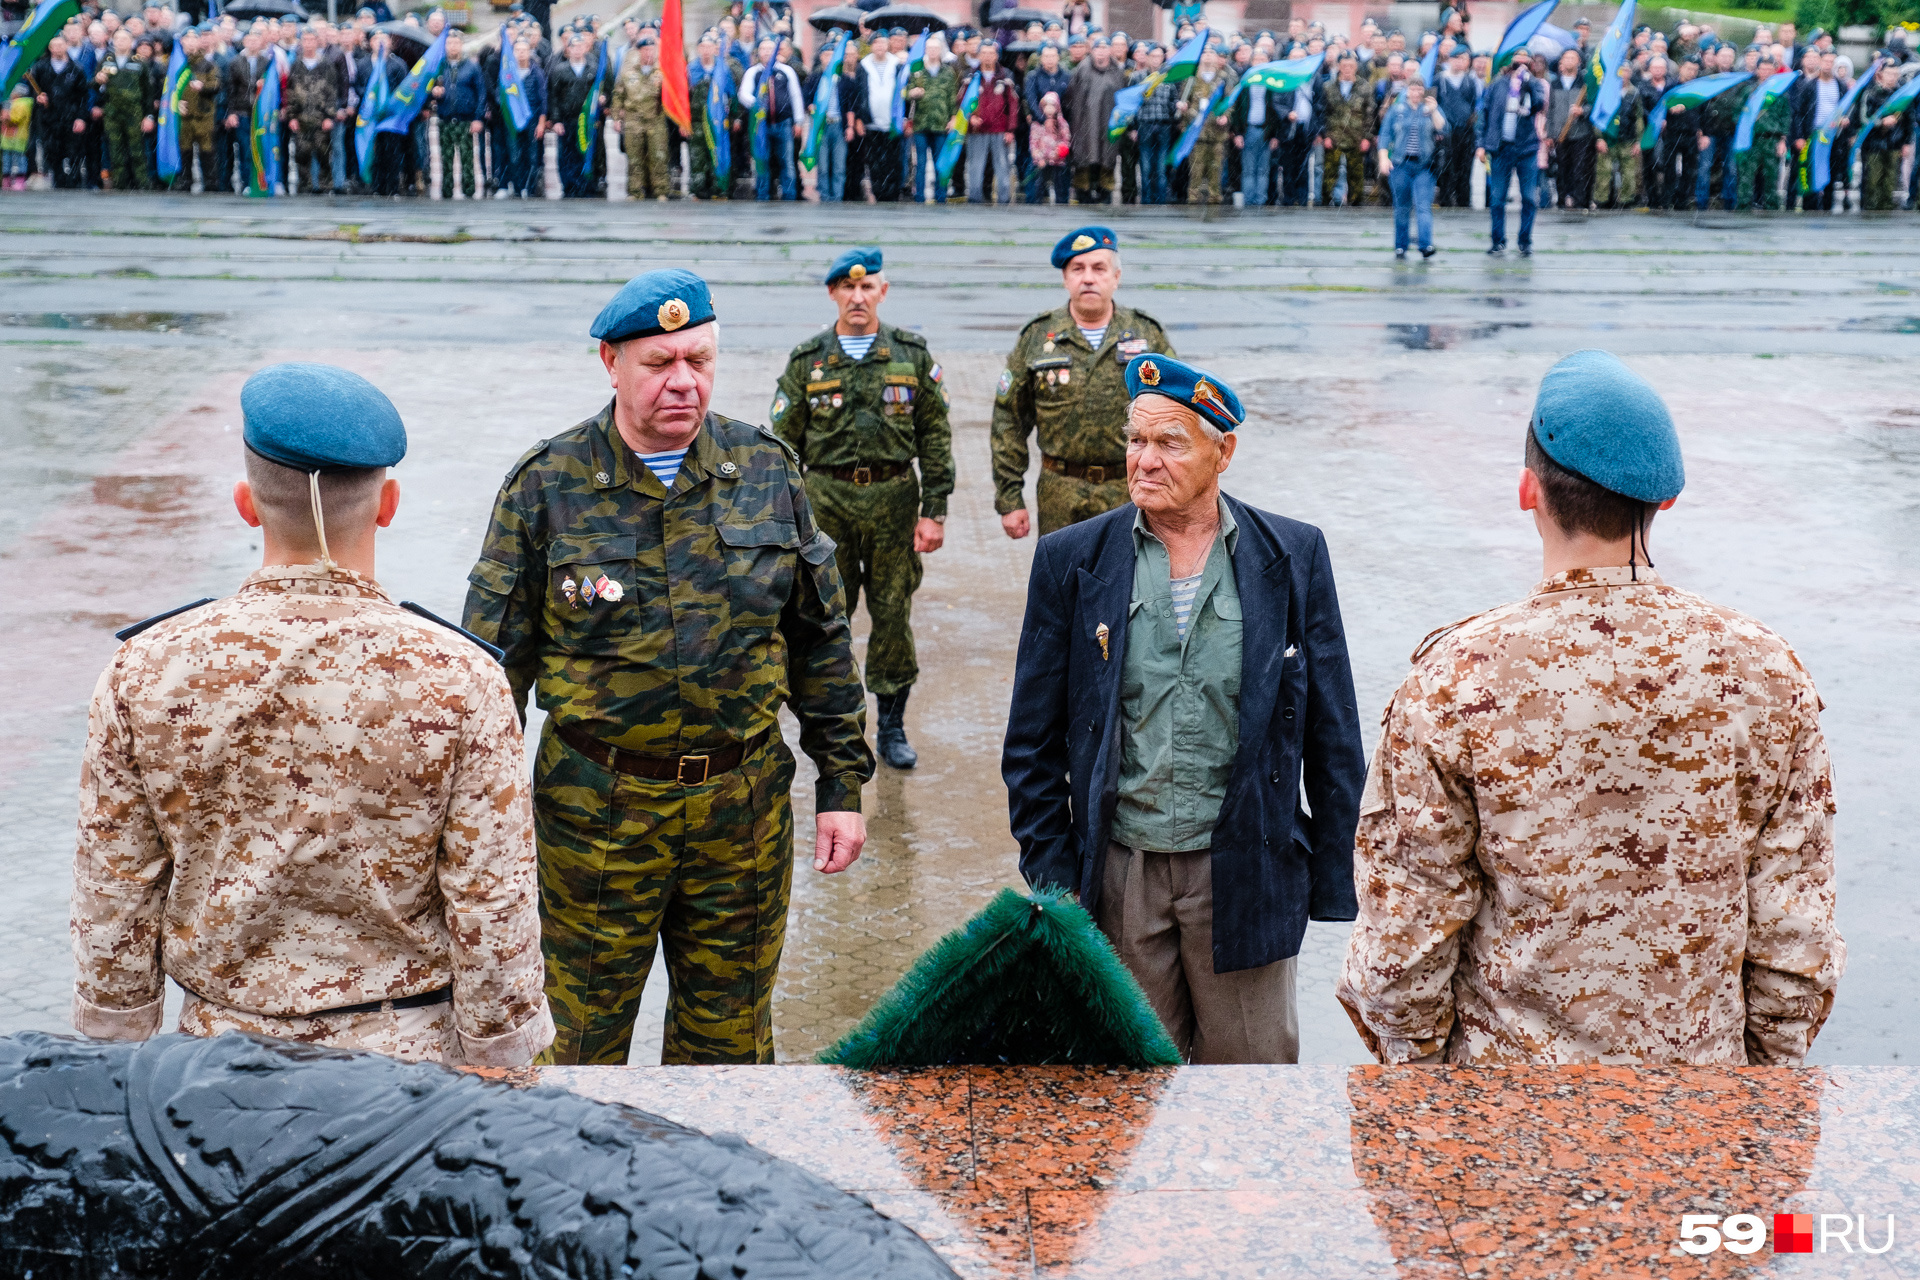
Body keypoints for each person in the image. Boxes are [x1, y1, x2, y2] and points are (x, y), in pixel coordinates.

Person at [1339, 350, 1844, 1065]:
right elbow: (1795, 927)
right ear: (1663, 499)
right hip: (1701, 1104)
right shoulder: (1764, 670)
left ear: (1527, 492)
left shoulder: (1455, 678)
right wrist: (1764, 1081)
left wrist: (1423, 1084)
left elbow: (1405, 935)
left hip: (1506, 1109)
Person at [71, 362, 553, 1068]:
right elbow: (492, 904)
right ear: (388, 505)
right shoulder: (464, 680)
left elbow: (115, 891)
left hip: (215, 1064)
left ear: (246, 503)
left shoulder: (145, 670)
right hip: (407, 1076)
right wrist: (500, 1063)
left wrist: (117, 1052)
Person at [461, 269, 874, 1066]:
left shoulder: (767, 470)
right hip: (595, 816)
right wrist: (481, 825)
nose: (684, 382)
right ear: (610, 363)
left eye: (700, 360)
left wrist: (842, 786)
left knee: (729, 1055)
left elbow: (820, 637)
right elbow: (490, 676)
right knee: (573, 1050)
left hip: (740, 814)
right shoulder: (546, 487)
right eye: (660, 364)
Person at [1003, 354, 1365, 1064]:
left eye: (1170, 442)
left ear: (1222, 451)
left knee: (1251, 1087)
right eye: (1136, 440)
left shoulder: (1292, 555)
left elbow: (1334, 732)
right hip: (1120, 876)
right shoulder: (1071, 560)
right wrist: (1057, 878)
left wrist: (1333, 878)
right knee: (1133, 1089)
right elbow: (1030, 743)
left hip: (1246, 869)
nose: (1145, 460)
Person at [769, 249, 954, 771]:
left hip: (896, 499)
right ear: (832, 294)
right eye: (847, 289)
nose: (857, 297)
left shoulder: (911, 356)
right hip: (827, 502)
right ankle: (839, 727)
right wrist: (788, 516)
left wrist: (934, 509)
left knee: (894, 612)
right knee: (828, 616)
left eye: (867, 287)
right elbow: (784, 443)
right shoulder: (808, 361)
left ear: (882, 292)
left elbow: (935, 437)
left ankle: (892, 725)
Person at [992, 228, 1176, 539]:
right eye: (1078, 269)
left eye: (1099, 268)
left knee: (1129, 583)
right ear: (1065, 278)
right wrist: (1010, 499)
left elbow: (1176, 413)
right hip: (1059, 493)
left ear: (1116, 277)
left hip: (1131, 490)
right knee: (1062, 583)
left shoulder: (1147, 335)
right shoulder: (1036, 337)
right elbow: (1008, 421)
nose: (1088, 278)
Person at [1476, 54, 1548, 256]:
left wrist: (1528, 83)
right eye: (1517, 63)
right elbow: (1485, 115)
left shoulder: (1534, 84)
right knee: (1497, 199)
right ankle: (1497, 240)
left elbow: (1539, 104)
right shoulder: (1498, 85)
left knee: (1528, 198)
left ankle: (1525, 241)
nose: (1520, 67)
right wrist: (1481, 144)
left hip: (1526, 148)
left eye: (1526, 63)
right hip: (1501, 148)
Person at [1379, 74, 1444, 259]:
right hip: (1401, 164)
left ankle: (1425, 244)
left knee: (1423, 206)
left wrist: (1434, 111)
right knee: (1402, 207)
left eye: (1419, 89)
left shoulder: (1430, 107)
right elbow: (1385, 135)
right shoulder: (1397, 109)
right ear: (1407, 90)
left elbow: (1443, 129)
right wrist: (1384, 158)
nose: (1416, 92)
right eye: (1412, 89)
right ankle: (1401, 245)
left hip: (1424, 166)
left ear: (1423, 91)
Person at [737, 36, 804, 201]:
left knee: (787, 162)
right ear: (758, 52)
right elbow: (743, 94)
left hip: (783, 123)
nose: (767, 52)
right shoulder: (753, 72)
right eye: (763, 49)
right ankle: (762, 195)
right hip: (761, 125)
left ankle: (789, 195)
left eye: (770, 48)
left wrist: (799, 121)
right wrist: (757, 103)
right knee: (761, 161)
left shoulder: (786, 71)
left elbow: (796, 96)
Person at [1064, 32, 1126, 204]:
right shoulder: (1082, 69)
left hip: (1109, 121)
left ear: (1110, 51)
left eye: (1104, 48)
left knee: (1107, 156)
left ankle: (1105, 191)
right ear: (1092, 50)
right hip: (1085, 122)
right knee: (1085, 156)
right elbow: (1072, 98)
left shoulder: (1117, 72)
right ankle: (1083, 192)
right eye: (1097, 48)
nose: (1100, 52)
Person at [612, 32, 671, 200]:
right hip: (633, 120)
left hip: (655, 119)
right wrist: (617, 118)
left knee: (658, 157)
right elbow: (618, 95)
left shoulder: (662, 72)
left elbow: (671, 97)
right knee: (634, 159)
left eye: (651, 49)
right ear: (639, 52)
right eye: (645, 50)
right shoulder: (628, 72)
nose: (648, 53)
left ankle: (660, 190)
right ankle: (636, 191)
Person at [285, 25, 342, 195]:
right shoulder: (296, 65)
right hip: (302, 117)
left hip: (320, 117)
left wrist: (329, 116)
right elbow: (291, 92)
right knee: (302, 153)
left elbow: (332, 92)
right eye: (305, 40)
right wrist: (292, 116)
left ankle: (325, 185)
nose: (308, 43)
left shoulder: (326, 65)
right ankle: (306, 185)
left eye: (311, 40)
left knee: (323, 153)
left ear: (317, 42)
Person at [93, 28, 152, 190]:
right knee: (115, 150)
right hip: (112, 112)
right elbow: (93, 85)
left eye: (124, 39)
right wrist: (98, 80)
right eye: (117, 39)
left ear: (131, 41)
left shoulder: (139, 62)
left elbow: (148, 92)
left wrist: (148, 116)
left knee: (137, 151)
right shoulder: (106, 59)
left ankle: (141, 183)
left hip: (134, 112)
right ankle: (120, 184)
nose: (120, 42)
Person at [1177, 41, 1234, 204]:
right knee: (1196, 169)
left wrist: (1226, 116)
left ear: (1216, 57)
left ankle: (1214, 198)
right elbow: (1184, 101)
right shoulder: (1192, 79)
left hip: (1216, 131)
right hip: (1196, 131)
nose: (1208, 56)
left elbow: (1229, 102)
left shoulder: (1223, 78)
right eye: (1205, 53)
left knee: (1215, 169)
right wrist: (1184, 111)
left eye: (1211, 53)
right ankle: (1193, 198)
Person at [1319, 51, 1376, 206]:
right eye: (1344, 66)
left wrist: (1367, 137)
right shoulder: (1328, 87)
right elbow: (1323, 112)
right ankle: (1326, 205)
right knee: (1329, 175)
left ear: (1356, 67)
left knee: (1356, 176)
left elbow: (1370, 114)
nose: (1347, 69)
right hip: (1334, 136)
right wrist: (1326, 135)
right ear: (1338, 66)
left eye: (1351, 66)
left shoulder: (1364, 87)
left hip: (1356, 138)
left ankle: (1355, 207)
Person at [904, 31, 955, 202]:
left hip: (941, 123)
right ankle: (919, 196)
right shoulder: (917, 71)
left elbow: (952, 98)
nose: (933, 52)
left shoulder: (948, 72)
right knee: (920, 164)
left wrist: (953, 117)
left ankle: (941, 196)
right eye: (929, 49)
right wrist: (912, 92)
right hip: (921, 123)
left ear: (940, 50)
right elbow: (904, 93)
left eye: (936, 49)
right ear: (925, 50)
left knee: (941, 163)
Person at [965, 39, 1016, 203]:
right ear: (979, 55)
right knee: (975, 166)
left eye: (991, 53)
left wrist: (1010, 129)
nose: (987, 57)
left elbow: (1013, 104)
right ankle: (974, 198)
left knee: (1002, 165)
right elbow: (964, 101)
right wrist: (970, 117)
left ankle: (1004, 199)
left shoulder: (1005, 76)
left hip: (999, 128)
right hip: (977, 129)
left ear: (996, 56)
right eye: (984, 53)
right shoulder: (971, 76)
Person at [1545, 46, 1594, 209]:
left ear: (1579, 62)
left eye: (1573, 58)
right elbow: (1550, 110)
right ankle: (1561, 200)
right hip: (1560, 134)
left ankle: (1580, 202)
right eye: (1566, 58)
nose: (1569, 61)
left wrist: (1583, 111)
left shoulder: (1585, 84)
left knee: (1580, 169)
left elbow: (1593, 105)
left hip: (1581, 133)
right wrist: (1550, 134)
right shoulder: (1555, 83)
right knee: (1561, 169)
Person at [1594, 60, 1642, 208]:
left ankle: (1626, 200)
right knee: (1604, 171)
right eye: (1620, 71)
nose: (1623, 74)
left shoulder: (1634, 93)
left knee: (1628, 171)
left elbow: (1639, 118)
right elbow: (1598, 116)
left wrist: (1638, 141)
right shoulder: (1606, 92)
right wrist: (1599, 138)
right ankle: (1602, 200)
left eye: (1626, 71)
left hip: (1627, 137)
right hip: (1608, 138)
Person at [1432, 46, 1477, 206]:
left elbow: (1473, 106)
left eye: (1463, 59)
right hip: (1445, 133)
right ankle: (1445, 202)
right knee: (1445, 169)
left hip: (1465, 132)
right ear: (1450, 60)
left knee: (1464, 170)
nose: (1459, 62)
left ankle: (1464, 203)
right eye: (1456, 58)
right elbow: (1431, 103)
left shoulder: (1469, 81)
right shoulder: (1439, 79)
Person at [1028, 88, 1071, 202]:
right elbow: (1033, 143)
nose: (1049, 109)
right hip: (1041, 161)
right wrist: (1038, 157)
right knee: (1038, 184)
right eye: (1047, 106)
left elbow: (1065, 140)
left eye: (1052, 106)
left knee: (1060, 183)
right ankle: (1036, 201)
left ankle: (1061, 201)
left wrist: (1058, 153)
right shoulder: (1037, 124)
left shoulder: (1062, 123)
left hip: (1057, 160)